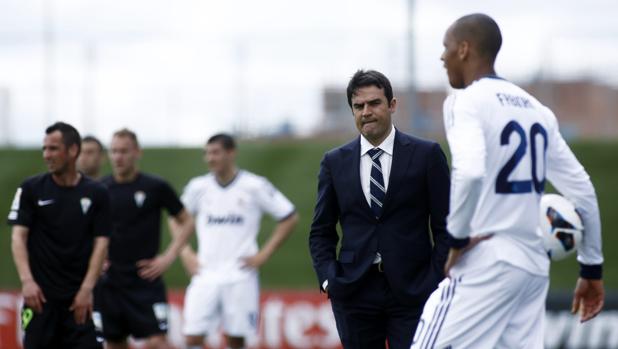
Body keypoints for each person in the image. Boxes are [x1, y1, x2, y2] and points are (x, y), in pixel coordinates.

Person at [411, 14, 604, 348]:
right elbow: (582, 189)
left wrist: (456, 239)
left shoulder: (465, 101)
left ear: (464, 49)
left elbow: (469, 171)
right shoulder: (538, 110)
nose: (442, 57)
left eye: (446, 47)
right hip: (531, 266)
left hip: (487, 259)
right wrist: (591, 268)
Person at [309, 70, 451, 349]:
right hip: (353, 291)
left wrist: (434, 280)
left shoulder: (427, 155)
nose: (366, 112)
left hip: (414, 290)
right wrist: (329, 280)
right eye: (359, 106)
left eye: (374, 103)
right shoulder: (334, 162)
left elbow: (446, 226)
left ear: (392, 105)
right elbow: (321, 231)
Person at [176, 133, 299, 349]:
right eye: (207, 153)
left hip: (240, 275)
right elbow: (175, 217)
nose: (210, 158)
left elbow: (289, 217)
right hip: (205, 273)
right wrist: (185, 252)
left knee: (236, 339)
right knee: (192, 336)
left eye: (215, 152)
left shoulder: (254, 185)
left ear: (231, 153)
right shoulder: (198, 187)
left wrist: (264, 254)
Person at [8, 122, 110, 349]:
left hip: (81, 303)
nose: (47, 155)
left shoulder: (97, 193)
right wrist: (27, 282)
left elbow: (101, 242)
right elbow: (18, 237)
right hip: (40, 301)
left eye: (53, 149)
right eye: (44, 149)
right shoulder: (30, 189)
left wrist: (86, 290)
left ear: (73, 151)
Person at [93, 128, 194, 349]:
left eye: (124, 151)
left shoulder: (155, 186)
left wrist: (168, 257)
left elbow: (187, 220)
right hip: (110, 282)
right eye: (114, 151)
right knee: (114, 342)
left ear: (137, 152)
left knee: (158, 341)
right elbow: (85, 229)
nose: (118, 157)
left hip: (145, 280)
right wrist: (94, 260)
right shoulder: (99, 189)